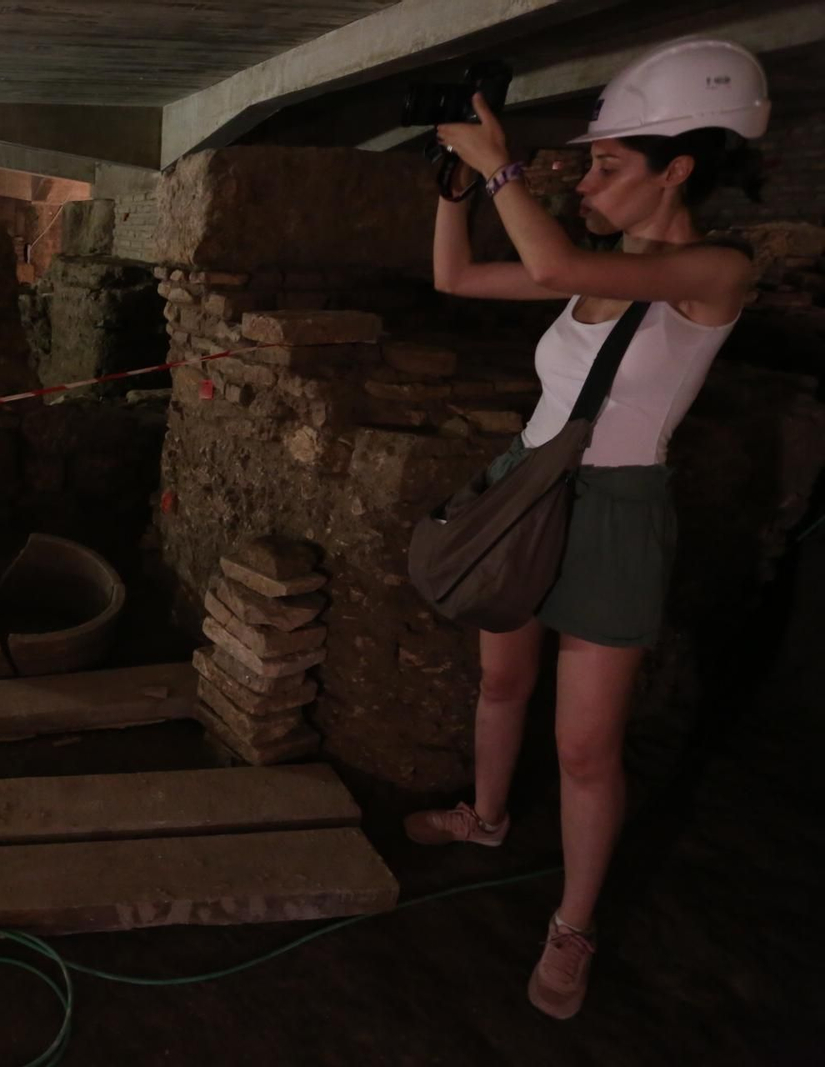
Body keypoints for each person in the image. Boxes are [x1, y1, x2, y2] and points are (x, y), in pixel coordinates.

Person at [402, 37, 771, 1020]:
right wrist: (454, 187)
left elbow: (547, 251)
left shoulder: (714, 269)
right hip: (527, 490)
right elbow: (455, 278)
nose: (589, 175)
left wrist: (504, 168)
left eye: (610, 163)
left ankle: (572, 924)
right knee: (500, 678)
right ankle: (483, 818)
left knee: (583, 747)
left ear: (677, 169)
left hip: (615, 511)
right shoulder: (595, 267)